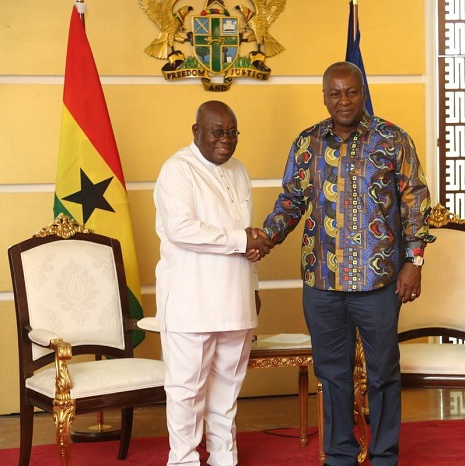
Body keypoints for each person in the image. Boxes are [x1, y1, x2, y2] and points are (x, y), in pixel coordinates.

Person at [258, 61, 434, 466]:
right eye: (335, 93)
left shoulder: (392, 139)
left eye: (351, 92)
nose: (343, 100)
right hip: (322, 283)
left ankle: (385, 455)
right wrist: (267, 235)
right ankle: (339, 454)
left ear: (362, 92)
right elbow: (291, 201)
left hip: (378, 283)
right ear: (324, 96)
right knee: (332, 374)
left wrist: (415, 261)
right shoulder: (307, 143)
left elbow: (416, 204)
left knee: (383, 372)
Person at [154, 100, 272, 466]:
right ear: (196, 132)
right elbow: (181, 230)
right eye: (216, 132)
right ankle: (185, 460)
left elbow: (243, 236)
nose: (225, 140)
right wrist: (242, 240)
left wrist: (252, 286)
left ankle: (224, 459)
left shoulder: (239, 170)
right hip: (192, 302)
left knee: (226, 392)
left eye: (231, 133)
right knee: (187, 391)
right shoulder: (177, 170)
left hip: (235, 301)